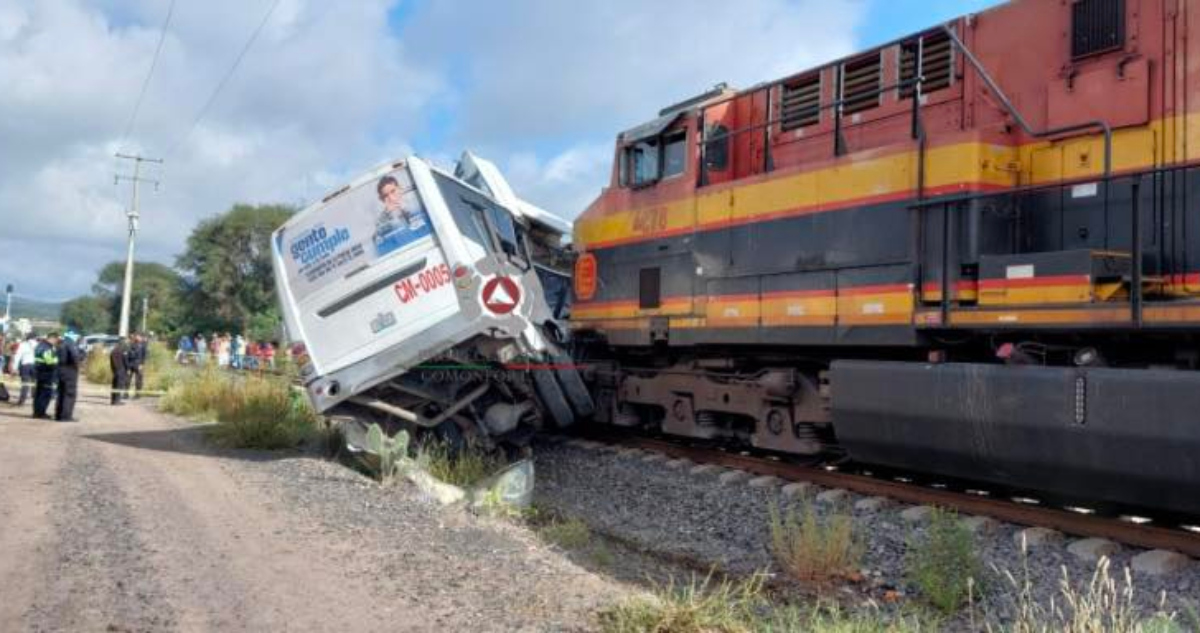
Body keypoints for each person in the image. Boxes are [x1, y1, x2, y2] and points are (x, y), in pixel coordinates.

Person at [31, 332, 60, 419]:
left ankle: (36, 412)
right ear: (52, 338)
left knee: (38, 394)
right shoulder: (47, 348)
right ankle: (41, 413)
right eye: (56, 340)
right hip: (47, 373)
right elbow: (49, 361)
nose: (56, 342)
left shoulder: (39, 345)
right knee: (45, 394)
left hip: (39, 372)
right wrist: (57, 360)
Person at [55, 332, 82, 421]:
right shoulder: (71, 344)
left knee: (61, 393)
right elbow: (75, 357)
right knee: (69, 394)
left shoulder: (60, 344)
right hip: (70, 371)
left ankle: (58, 415)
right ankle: (66, 416)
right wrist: (78, 365)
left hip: (60, 370)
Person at [13, 333, 37, 406]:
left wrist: (15, 367)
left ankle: (22, 400)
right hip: (35, 365)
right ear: (35, 337)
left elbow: (18, 356)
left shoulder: (23, 345)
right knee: (35, 383)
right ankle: (35, 400)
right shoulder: (38, 344)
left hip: (25, 365)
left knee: (25, 383)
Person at [126, 332, 147, 398]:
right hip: (130, 364)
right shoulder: (131, 345)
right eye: (136, 336)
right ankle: (126, 394)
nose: (137, 338)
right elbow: (127, 355)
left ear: (140, 337)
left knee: (138, 380)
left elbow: (144, 356)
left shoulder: (143, 346)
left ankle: (137, 395)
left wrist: (142, 364)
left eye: (138, 336)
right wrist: (127, 365)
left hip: (138, 364)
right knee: (127, 379)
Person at [110, 337, 129, 405]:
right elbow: (125, 361)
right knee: (119, 386)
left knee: (114, 385)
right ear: (122, 343)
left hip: (115, 370)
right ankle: (117, 401)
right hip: (121, 370)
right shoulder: (123, 351)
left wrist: (113, 369)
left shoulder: (113, 351)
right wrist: (127, 368)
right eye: (125, 342)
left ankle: (113, 400)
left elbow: (111, 362)